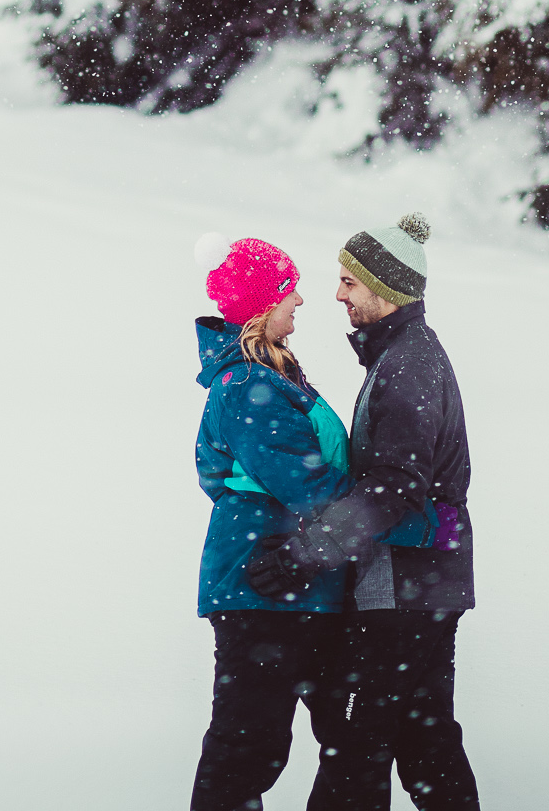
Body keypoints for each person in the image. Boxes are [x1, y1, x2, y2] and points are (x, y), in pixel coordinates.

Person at [191, 235, 439, 811]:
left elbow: (238, 476)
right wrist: (407, 521)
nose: (301, 300)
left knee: (351, 742)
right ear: (262, 305)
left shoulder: (271, 376)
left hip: (306, 589)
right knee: (248, 748)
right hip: (263, 592)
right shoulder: (249, 385)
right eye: (288, 290)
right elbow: (312, 487)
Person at [247, 214, 479, 810]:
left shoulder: (407, 366)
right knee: (425, 741)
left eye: (349, 282)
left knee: (356, 748)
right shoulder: (404, 356)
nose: (337, 294)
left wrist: (303, 555)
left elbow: (393, 489)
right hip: (424, 585)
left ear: (387, 288)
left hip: (403, 589)